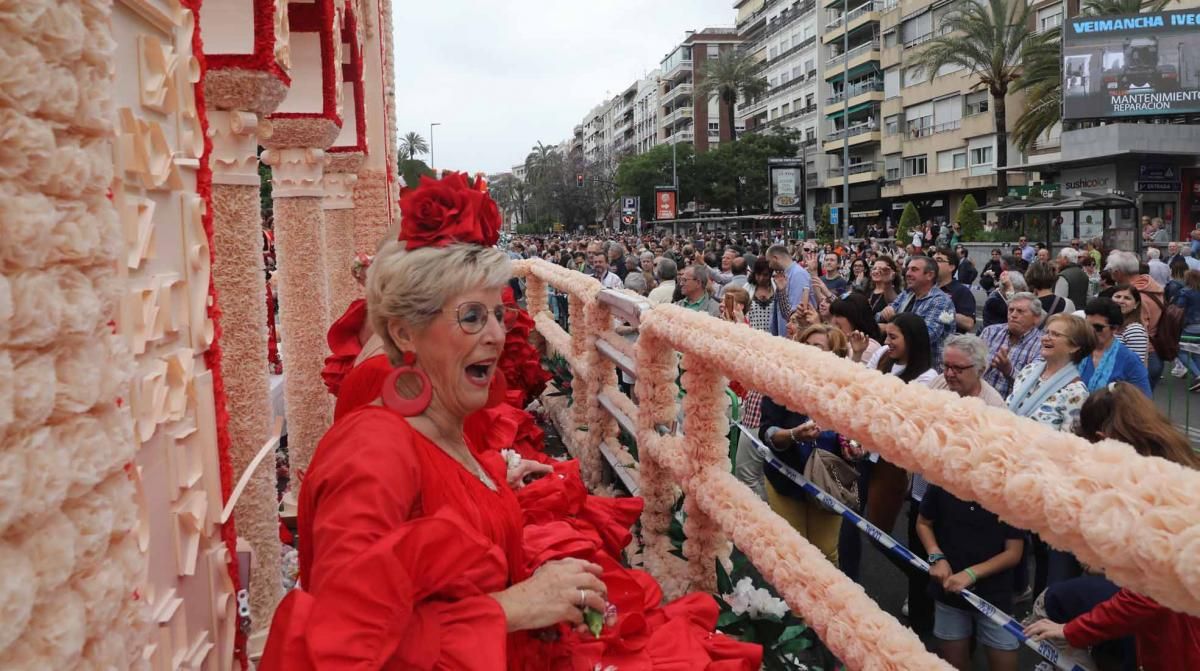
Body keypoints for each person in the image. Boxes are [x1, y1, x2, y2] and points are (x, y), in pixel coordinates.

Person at [1026, 383, 1200, 671]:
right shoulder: (1173, 464)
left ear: (1103, 439)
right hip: (1170, 624)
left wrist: (1072, 631)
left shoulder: (1154, 492)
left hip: (1176, 640)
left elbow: (1149, 593)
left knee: (1051, 602)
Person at [759, 324, 854, 563]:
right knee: (793, 553)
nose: (809, 352)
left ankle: (825, 599)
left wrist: (854, 448)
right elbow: (767, 432)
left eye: (817, 347)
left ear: (835, 355)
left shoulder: (847, 390)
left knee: (826, 551)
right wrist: (793, 435)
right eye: (805, 346)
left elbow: (855, 433)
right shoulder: (781, 383)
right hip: (787, 479)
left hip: (830, 480)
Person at [918, 480, 1024, 671]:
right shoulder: (942, 481)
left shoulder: (1011, 493)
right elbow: (924, 523)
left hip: (995, 597)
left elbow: (1014, 552)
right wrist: (936, 556)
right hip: (949, 594)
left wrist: (971, 574)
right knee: (953, 664)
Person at [878, 256, 956, 369]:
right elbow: (879, 317)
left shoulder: (940, 301)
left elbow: (925, 336)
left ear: (929, 275)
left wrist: (890, 326)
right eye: (908, 269)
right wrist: (885, 315)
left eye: (914, 270)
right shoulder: (907, 294)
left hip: (927, 370)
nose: (908, 273)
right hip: (902, 364)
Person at [1106, 250, 1164, 388]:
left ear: (1118, 272)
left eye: (1111, 270)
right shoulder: (1150, 286)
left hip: (1145, 356)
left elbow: (1139, 334)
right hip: (1154, 352)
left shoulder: (1137, 296)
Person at [979, 292, 1045, 399]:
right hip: (978, 399)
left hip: (1010, 409)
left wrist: (1009, 371)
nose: (1013, 315)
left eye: (1020, 311)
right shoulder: (990, 332)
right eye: (1011, 310)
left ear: (1036, 318)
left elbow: (1034, 386)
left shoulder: (1042, 345)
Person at [1080, 297, 1152, 396]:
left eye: (1098, 328)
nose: (1091, 331)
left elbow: (1143, 400)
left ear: (1115, 328)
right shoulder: (1076, 351)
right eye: (1087, 326)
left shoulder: (1129, 360)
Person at [767, 244, 815, 337]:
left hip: (795, 337)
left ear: (775, 258)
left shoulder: (798, 274)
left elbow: (795, 314)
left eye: (769, 261)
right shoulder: (787, 274)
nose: (769, 266)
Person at [830, 293, 885, 365]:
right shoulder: (841, 341)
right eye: (832, 315)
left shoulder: (867, 347)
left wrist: (857, 354)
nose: (833, 321)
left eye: (839, 315)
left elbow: (848, 374)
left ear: (855, 318)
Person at [932, 247, 976, 334]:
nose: (933, 263)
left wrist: (945, 312)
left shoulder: (961, 291)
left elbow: (969, 323)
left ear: (951, 267)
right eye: (932, 260)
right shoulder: (927, 288)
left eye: (939, 260)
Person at [1109, 284, 1149, 365]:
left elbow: (1135, 367)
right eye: (1117, 296)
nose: (1120, 301)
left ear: (1136, 304)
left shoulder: (1134, 329)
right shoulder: (1109, 324)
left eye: (1127, 298)